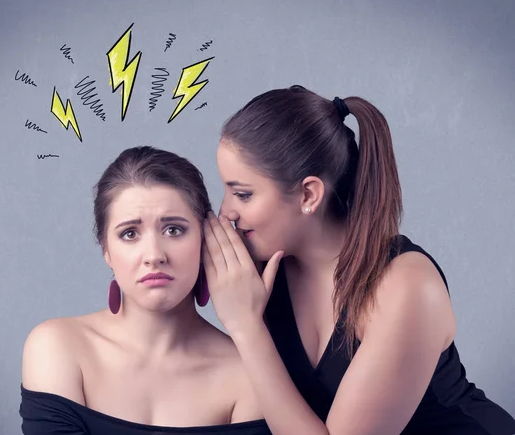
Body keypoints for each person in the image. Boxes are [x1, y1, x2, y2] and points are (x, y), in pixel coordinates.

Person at [202, 85, 515, 435]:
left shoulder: (406, 285)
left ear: (308, 194)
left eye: (243, 194)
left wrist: (246, 327)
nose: (227, 211)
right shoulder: (257, 269)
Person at [19, 146, 271, 435]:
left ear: (207, 238)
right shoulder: (57, 348)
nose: (154, 255)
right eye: (130, 234)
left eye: (173, 230)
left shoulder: (249, 373)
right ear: (106, 251)